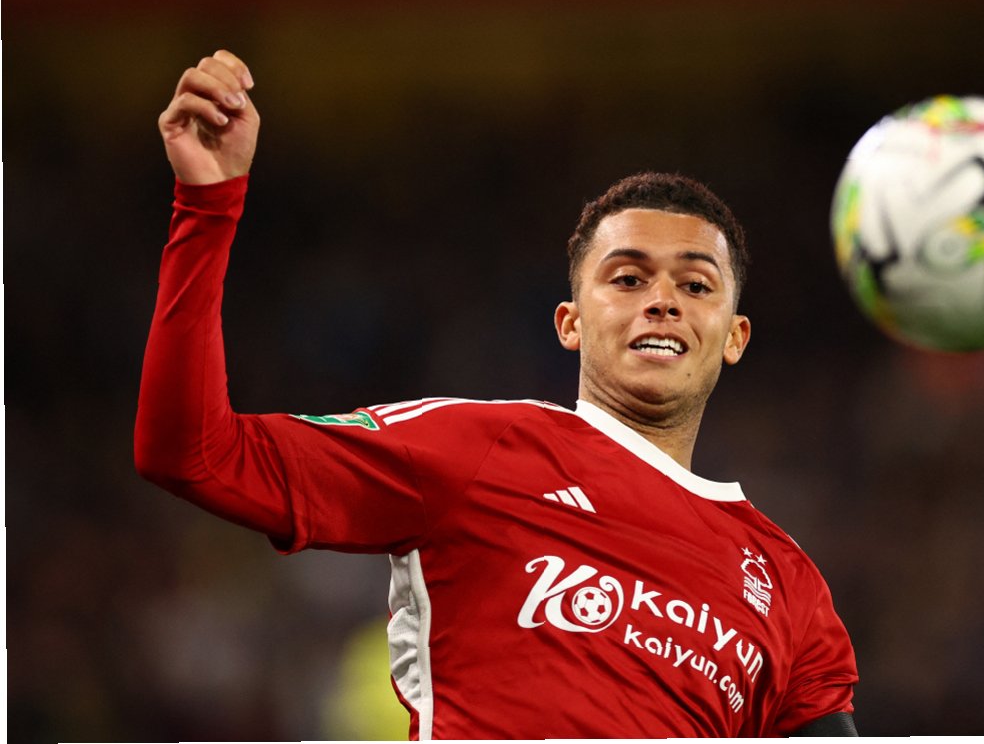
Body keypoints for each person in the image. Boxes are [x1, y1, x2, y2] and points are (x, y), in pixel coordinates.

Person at [135, 49, 858, 739]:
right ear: (570, 323)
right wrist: (207, 205)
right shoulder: (475, 450)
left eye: (695, 285)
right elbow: (192, 453)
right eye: (628, 278)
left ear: (733, 336)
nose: (662, 301)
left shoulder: (787, 583)